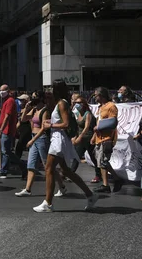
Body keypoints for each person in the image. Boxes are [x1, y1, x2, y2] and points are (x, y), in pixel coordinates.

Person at [33, 80, 97, 213]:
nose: (49, 90)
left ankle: (48, 203)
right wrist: (51, 122)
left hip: (59, 140)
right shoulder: (61, 103)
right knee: (66, 170)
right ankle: (90, 195)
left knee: (49, 168)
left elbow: (66, 124)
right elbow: (62, 121)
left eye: (51, 88)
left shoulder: (62, 103)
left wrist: (50, 125)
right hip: (58, 138)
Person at [15, 92, 67, 198]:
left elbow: (44, 128)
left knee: (48, 166)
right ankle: (28, 189)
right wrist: (26, 108)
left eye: (35, 97)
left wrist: (33, 140)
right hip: (34, 137)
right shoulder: (34, 110)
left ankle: (62, 186)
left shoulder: (45, 110)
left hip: (41, 139)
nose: (33, 99)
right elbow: (24, 119)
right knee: (31, 164)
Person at [91, 87, 124, 193]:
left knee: (103, 161)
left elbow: (113, 123)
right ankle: (110, 183)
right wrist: (94, 136)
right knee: (101, 162)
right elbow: (98, 123)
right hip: (99, 138)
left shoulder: (111, 106)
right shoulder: (100, 107)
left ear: (101, 95)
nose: (94, 97)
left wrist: (99, 128)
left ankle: (111, 182)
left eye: (96, 95)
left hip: (107, 138)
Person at [0, 85, 26, 179]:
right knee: (5, 151)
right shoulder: (6, 101)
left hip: (7, 130)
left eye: (3, 90)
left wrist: (1, 130)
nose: (1, 92)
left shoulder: (10, 101)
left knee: (6, 151)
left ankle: (13, 168)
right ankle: (5, 170)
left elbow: (7, 117)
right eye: (0, 90)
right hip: (5, 130)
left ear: (8, 91)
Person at [70, 95, 101, 183]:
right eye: (76, 103)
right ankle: (71, 173)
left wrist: (80, 137)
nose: (77, 104)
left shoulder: (88, 114)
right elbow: (76, 126)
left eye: (79, 103)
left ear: (84, 104)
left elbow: (86, 127)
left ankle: (98, 175)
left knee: (93, 157)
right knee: (76, 156)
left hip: (88, 138)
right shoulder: (77, 113)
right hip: (81, 138)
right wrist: (75, 136)